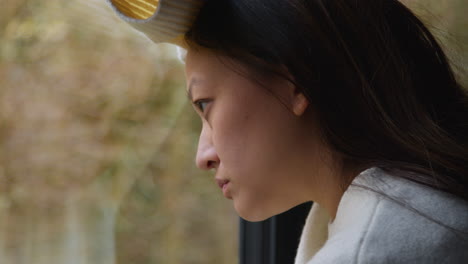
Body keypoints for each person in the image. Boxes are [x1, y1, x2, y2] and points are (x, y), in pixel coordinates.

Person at [107, 0, 468, 262]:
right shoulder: (427, 212)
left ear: (293, 83)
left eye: (205, 105)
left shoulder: (371, 251)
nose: (203, 156)